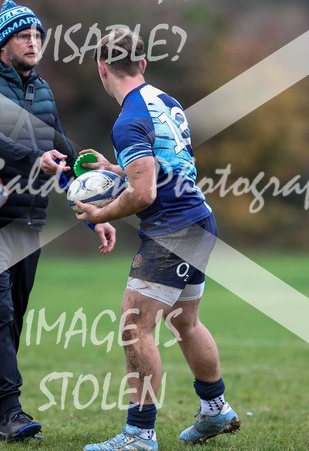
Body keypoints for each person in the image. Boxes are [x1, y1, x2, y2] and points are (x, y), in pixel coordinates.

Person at [0, 0, 116, 442]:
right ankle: (10, 412)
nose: (33, 43)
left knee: (13, 317)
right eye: (24, 36)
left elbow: (61, 151)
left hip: (28, 218)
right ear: (4, 42)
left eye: (38, 36)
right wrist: (33, 159)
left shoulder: (40, 88)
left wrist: (96, 213)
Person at [74, 28, 240, 450]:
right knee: (185, 321)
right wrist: (114, 169)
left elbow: (143, 193)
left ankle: (139, 434)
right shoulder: (166, 103)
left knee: (135, 325)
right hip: (199, 220)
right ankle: (215, 410)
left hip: (173, 229)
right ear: (143, 64)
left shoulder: (128, 120)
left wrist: (99, 213)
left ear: (102, 68)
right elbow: (163, 168)